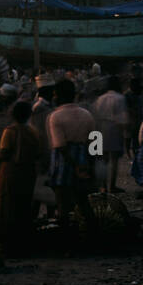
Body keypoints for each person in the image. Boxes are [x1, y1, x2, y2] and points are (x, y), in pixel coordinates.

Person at [46, 78, 97, 241]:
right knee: (83, 202)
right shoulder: (87, 114)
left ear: (58, 95)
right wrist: (89, 165)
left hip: (64, 164)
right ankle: (93, 237)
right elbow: (95, 141)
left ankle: (67, 242)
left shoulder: (56, 117)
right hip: (84, 159)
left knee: (63, 206)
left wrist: (75, 166)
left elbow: (60, 147)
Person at [0, 100, 40, 256]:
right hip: (28, 173)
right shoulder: (33, 131)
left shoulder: (10, 131)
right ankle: (23, 243)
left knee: (5, 206)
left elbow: (4, 153)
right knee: (23, 207)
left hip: (10, 172)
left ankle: (4, 244)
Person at [92, 76, 129, 193]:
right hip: (113, 129)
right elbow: (122, 119)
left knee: (102, 160)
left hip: (99, 129)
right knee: (114, 160)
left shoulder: (99, 99)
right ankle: (111, 186)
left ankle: (103, 186)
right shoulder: (120, 98)